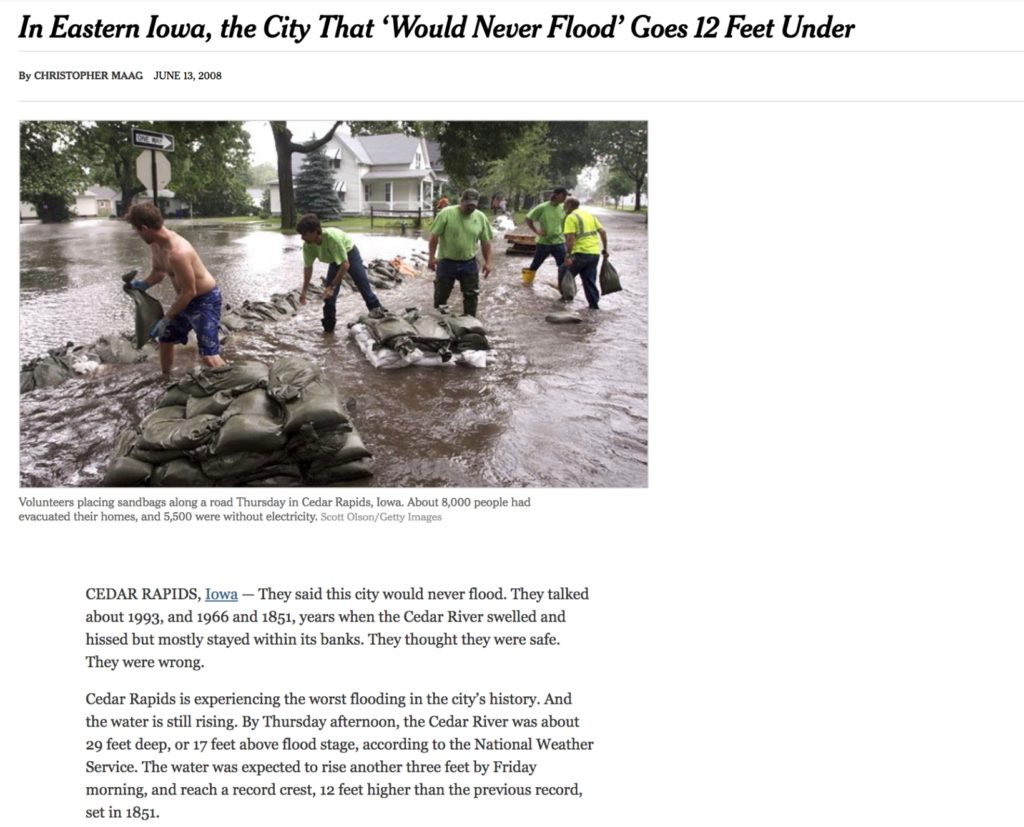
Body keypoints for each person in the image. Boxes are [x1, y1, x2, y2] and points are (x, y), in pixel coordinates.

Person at [125, 202, 226, 377]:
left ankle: (230, 382)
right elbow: (159, 271)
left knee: (209, 356)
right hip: (184, 300)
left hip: (205, 301)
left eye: (137, 231)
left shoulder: (178, 253)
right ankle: (166, 379)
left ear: (145, 228)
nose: (137, 235)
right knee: (166, 338)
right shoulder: (155, 244)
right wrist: (143, 284)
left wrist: (166, 318)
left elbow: (189, 291)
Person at [296, 213, 384, 333]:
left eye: (304, 234)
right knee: (329, 297)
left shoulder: (332, 239)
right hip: (334, 260)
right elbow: (308, 268)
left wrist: (332, 286)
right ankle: (328, 331)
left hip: (350, 255)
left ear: (315, 231)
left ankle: (382, 320)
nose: (302, 238)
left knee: (364, 288)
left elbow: (345, 264)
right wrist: (304, 291)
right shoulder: (308, 246)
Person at [428, 188, 494, 318]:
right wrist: (431, 258)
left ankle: (469, 324)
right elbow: (434, 238)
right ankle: (440, 323)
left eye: (473, 205)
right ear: (461, 201)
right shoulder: (446, 214)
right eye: (468, 205)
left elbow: (486, 242)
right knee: (441, 296)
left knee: (471, 296)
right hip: (446, 262)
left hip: (468, 263)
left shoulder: (480, 217)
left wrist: (488, 263)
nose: (470, 208)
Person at [562, 197, 609, 310]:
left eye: (564, 204)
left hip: (581, 253)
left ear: (569, 205)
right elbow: (603, 232)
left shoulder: (571, 217)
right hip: (594, 254)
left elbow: (570, 238)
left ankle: (565, 298)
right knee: (589, 281)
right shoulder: (589, 215)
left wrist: (568, 255)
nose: (563, 207)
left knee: (563, 272)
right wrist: (605, 249)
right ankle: (594, 306)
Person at [525, 187, 568, 276]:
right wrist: (536, 231)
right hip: (544, 242)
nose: (565, 198)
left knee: (563, 266)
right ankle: (527, 283)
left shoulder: (563, 208)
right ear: (556, 195)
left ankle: (563, 286)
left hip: (559, 242)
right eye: (563, 195)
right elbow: (528, 218)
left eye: (566, 195)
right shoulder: (543, 207)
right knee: (535, 265)